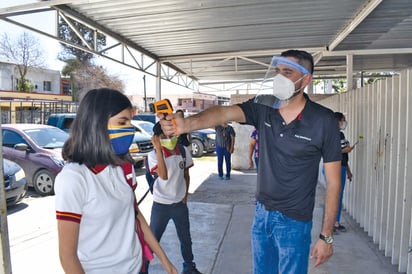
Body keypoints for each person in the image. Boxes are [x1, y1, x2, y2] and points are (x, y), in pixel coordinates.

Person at [159, 49, 342, 274]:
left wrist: (326, 237)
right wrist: (186, 125)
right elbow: (223, 113)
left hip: (295, 222)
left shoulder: (323, 121)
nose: (279, 78)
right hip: (262, 215)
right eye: (277, 71)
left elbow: (333, 183)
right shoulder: (264, 106)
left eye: (287, 71)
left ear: (306, 80)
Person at [55, 88, 177, 274]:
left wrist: (164, 260)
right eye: (122, 122)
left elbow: (134, 215)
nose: (130, 128)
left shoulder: (122, 167)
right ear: (97, 124)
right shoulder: (74, 178)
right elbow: (67, 257)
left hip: (138, 267)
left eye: (130, 121)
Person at [147, 122, 202, 274]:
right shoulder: (153, 156)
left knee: (185, 239)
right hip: (161, 205)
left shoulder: (183, 151)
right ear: (156, 138)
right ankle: (142, 268)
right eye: (164, 136)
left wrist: (185, 196)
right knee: (153, 240)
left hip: (179, 205)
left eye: (171, 135)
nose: (169, 139)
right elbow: (163, 176)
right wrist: (159, 150)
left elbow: (186, 174)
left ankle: (189, 267)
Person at [334, 112, 355, 232]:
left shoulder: (333, 133)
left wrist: (348, 170)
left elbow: (343, 156)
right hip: (336, 169)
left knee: (336, 195)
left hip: (339, 167)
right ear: (338, 121)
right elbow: (338, 150)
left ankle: (335, 222)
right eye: (343, 120)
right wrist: (347, 149)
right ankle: (333, 223)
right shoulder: (337, 134)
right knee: (336, 196)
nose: (344, 122)